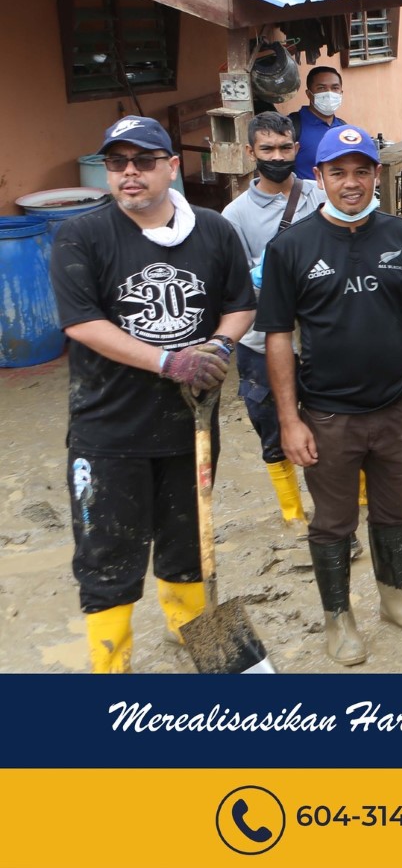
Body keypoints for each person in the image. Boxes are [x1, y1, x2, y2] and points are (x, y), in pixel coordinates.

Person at [51, 116, 256, 672]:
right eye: (117, 163)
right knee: (107, 554)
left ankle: (189, 630)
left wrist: (218, 345)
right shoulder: (82, 236)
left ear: (172, 167)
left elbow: (240, 304)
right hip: (107, 430)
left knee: (189, 542)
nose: (130, 173)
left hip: (191, 424)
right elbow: (81, 322)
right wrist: (168, 361)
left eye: (143, 161)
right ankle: (111, 667)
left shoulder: (212, 230)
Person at [258, 125, 402, 666]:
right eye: (337, 172)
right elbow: (277, 336)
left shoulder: (400, 236)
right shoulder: (290, 247)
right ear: (319, 177)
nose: (351, 182)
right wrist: (289, 419)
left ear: (376, 175)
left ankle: (396, 599)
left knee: (394, 508)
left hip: (395, 408)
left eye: (362, 171)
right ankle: (338, 619)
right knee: (333, 521)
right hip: (327, 415)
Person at [221, 111, 324, 528]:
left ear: (296, 148)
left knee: (333, 421)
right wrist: (263, 275)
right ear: (251, 152)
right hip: (260, 342)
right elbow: (233, 286)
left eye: (284, 148)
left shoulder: (320, 194)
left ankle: (353, 500)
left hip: (321, 334)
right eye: (267, 149)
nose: (277, 156)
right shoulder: (234, 215)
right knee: (271, 425)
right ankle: (292, 513)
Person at [289, 65, 345, 180]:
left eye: (335, 88)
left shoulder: (343, 128)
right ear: (309, 94)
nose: (329, 93)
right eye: (321, 88)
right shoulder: (291, 126)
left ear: (341, 92)